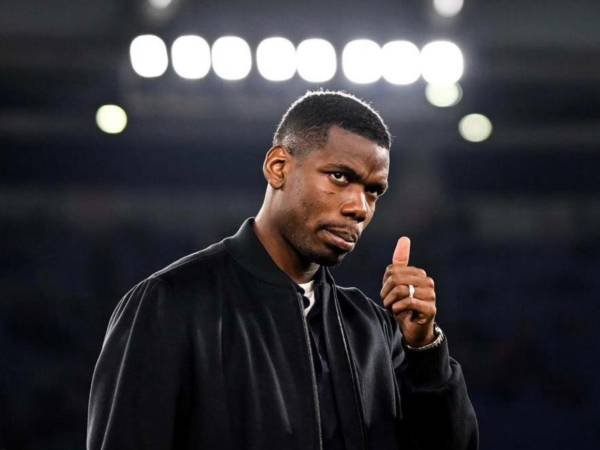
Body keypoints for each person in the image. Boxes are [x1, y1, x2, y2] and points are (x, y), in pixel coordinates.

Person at [87, 90, 478, 450]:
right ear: (278, 167)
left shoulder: (373, 330)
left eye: (373, 191)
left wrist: (424, 349)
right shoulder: (170, 303)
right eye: (340, 176)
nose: (359, 207)